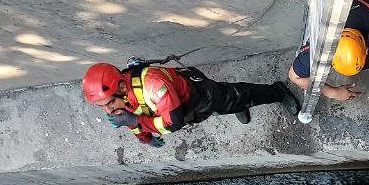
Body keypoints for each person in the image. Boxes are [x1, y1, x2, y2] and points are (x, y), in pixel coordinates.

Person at [82, 60, 299, 147]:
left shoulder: (153, 85)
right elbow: (133, 119)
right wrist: (145, 138)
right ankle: (236, 106)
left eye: (108, 103)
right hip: (190, 109)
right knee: (224, 105)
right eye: (100, 106)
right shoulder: (123, 99)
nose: (108, 111)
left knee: (236, 95)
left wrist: (138, 122)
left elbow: (173, 122)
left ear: (120, 87)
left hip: (200, 96)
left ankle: (277, 92)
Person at [288, 0, 369, 102]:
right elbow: (294, 77)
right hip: (368, 35)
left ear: (366, 49)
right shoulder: (317, 51)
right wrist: (332, 92)